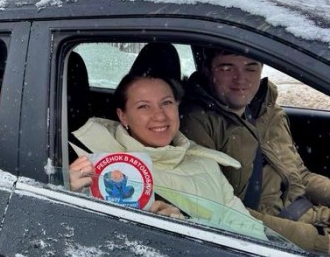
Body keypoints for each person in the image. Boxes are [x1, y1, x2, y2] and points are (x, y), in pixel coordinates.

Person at [180, 48, 330, 257]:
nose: (241, 78)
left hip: (316, 217)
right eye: (227, 67)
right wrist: (325, 243)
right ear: (208, 71)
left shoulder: (268, 110)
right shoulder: (195, 122)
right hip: (276, 244)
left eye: (251, 67)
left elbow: (301, 178)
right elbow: (223, 212)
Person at [68, 73, 268, 241]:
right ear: (123, 116)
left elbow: (252, 234)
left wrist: (190, 226)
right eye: (143, 106)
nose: (160, 115)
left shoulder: (203, 160)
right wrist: (70, 192)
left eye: (166, 103)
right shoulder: (98, 166)